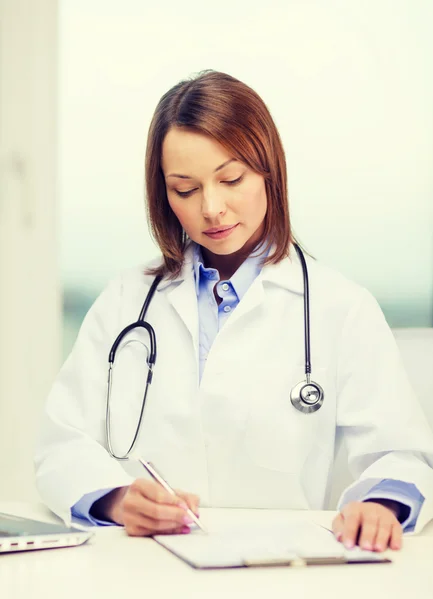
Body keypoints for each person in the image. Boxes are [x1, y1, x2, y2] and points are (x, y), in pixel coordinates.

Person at [35, 70, 433, 552]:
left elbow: (401, 455)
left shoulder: (341, 308)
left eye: (231, 179)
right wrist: (117, 500)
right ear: (163, 193)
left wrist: (380, 506)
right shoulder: (125, 301)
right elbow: (62, 443)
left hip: (287, 567)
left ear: (269, 169)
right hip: (144, 567)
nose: (212, 208)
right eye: (185, 189)